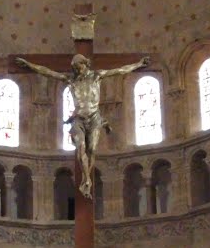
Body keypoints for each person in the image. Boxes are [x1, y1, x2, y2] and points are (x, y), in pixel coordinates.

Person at [15, 53, 150, 199]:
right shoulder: (70, 79)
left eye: (78, 66)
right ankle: (86, 180)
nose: (76, 69)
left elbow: (120, 70)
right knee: (80, 149)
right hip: (78, 118)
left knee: (91, 149)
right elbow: (48, 72)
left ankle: (86, 179)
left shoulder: (97, 76)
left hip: (94, 117)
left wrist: (138, 64)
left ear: (85, 64)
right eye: (74, 67)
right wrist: (29, 65)